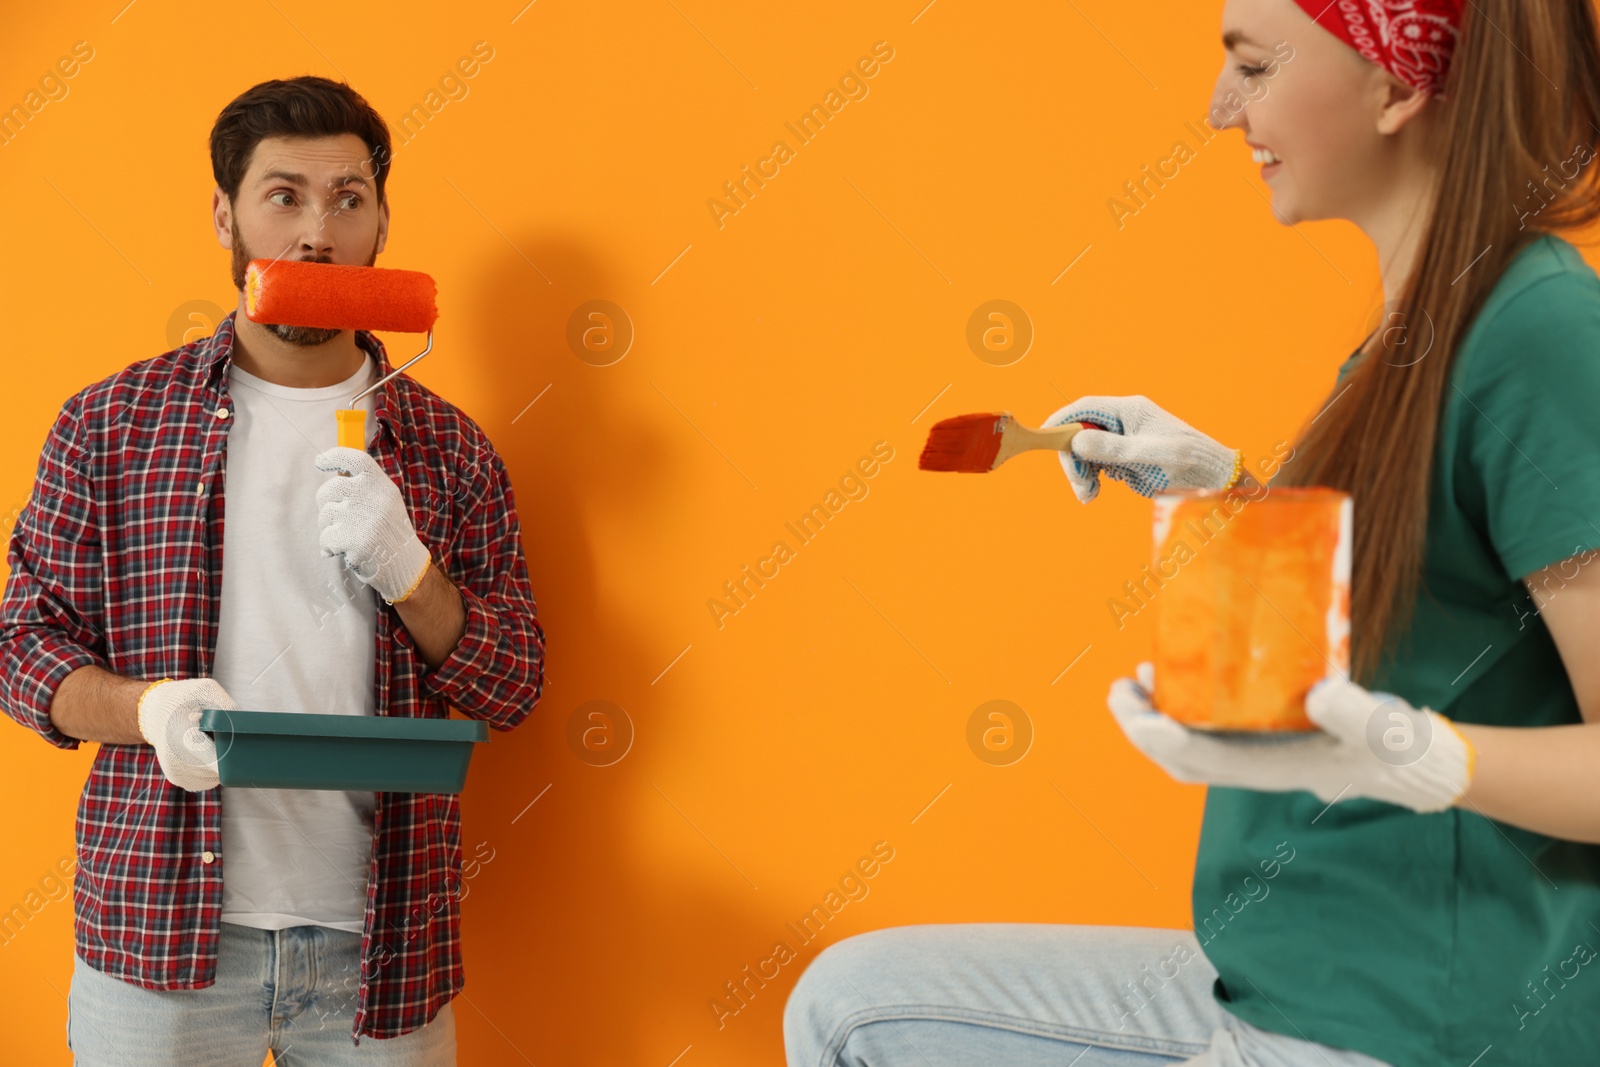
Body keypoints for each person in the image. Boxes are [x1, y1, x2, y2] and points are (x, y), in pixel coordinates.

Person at [783, 0, 1600, 1064]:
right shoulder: (1411, 342)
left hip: (1419, 1025)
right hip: (1290, 976)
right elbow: (1428, 622)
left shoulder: (1532, 332)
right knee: (849, 998)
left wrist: (1400, 750)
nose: (1221, 109)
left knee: (855, 1025)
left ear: (1397, 86)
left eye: (1254, 67)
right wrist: (1227, 489)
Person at [0, 76, 545, 1065]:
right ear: (227, 215)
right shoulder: (112, 426)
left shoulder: (450, 450)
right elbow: (20, 649)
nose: (316, 232)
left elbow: (513, 685)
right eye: (283, 195)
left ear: (382, 221)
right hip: (160, 940)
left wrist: (409, 570)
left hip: (382, 951)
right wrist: (148, 711)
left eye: (348, 197)